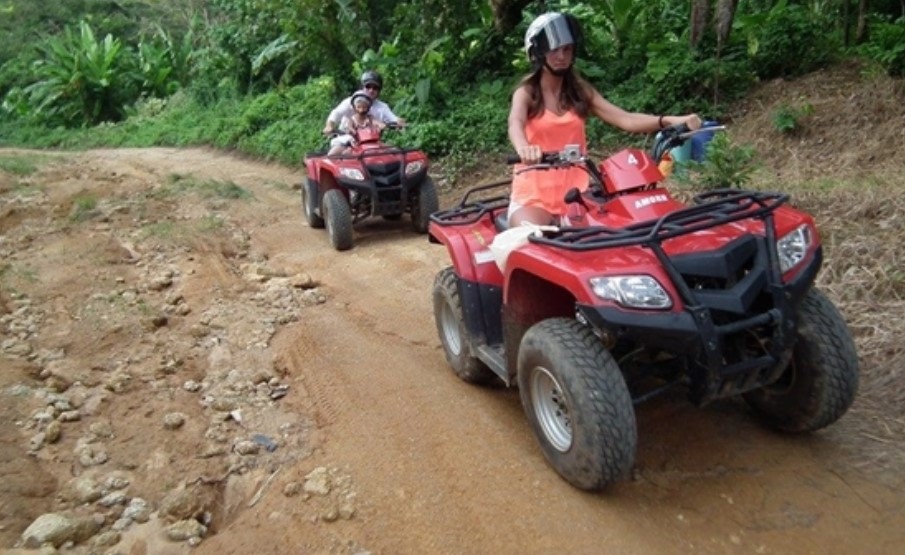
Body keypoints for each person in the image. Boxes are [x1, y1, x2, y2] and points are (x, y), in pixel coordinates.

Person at [508, 12, 702, 227]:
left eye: (567, 49)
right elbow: (515, 122)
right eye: (554, 49)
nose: (561, 55)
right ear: (538, 52)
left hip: (576, 197)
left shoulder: (580, 91)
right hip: (532, 197)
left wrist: (667, 121)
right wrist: (524, 148)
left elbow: (624, 118)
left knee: (611, 242)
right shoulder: (527, 92)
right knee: (531, 241)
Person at [322, 70, 404, 137]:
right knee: (335, 153)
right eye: (368, 86)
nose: (371, 90)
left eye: (375, 88)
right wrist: (330, 125)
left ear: (379, 90)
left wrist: (399, 122)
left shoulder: (382, 107)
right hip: (347, 141)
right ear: (362, 87)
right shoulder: (350, 101)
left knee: (392, 153)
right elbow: (336, 113)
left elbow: (393, 119)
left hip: (373, 142)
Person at [327, 90, 386, 155]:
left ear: (368, 108)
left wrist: (381, 125)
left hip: (372, 143)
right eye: (359, 107)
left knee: (393, 151)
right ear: (355, 108)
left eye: (364, 107)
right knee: (335, 154)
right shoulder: (352, 119)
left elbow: (376, 122)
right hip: (354, 143)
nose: (362, 110)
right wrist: (352, 130)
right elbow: (350, 127)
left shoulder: (370, 118)